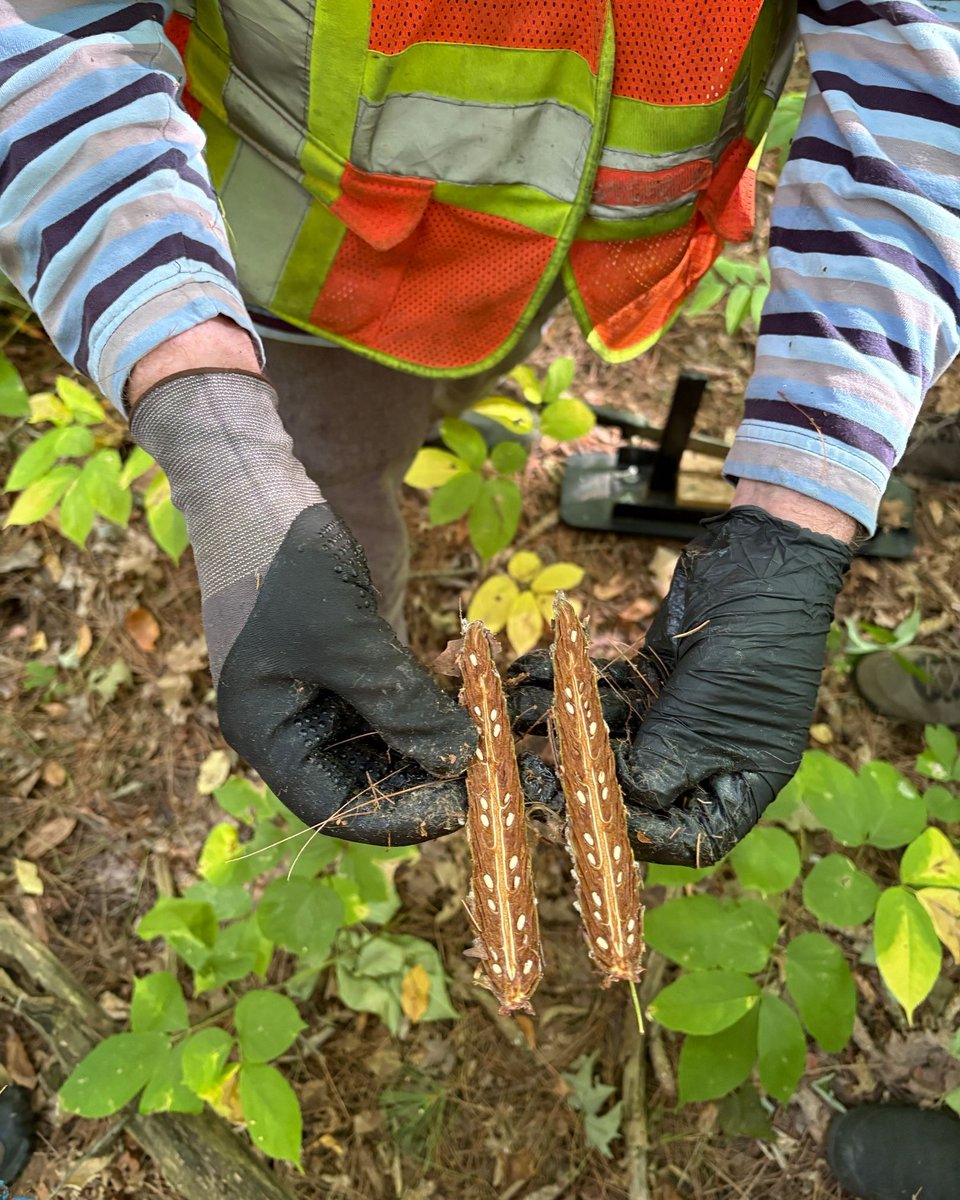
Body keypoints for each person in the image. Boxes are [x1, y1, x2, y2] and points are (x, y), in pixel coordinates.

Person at [0, 1, 956, 870]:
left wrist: (799, 515)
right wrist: (216, 442)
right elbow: (46, 31)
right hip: (283, 282)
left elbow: (923, 69)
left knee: (425, 420)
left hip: (541, 279)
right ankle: (358, 681)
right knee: (334, 499)